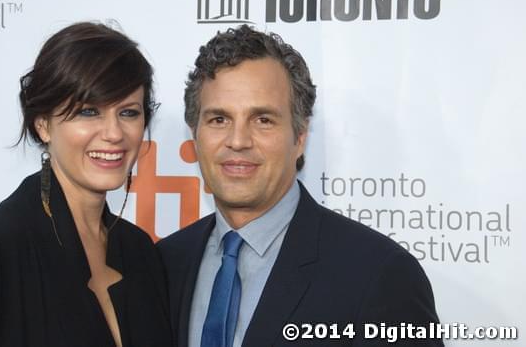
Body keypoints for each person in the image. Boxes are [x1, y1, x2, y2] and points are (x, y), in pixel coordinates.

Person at [157, 25, 443, 347]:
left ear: (300, 137)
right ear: (195, 134)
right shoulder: (164, 264)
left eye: (263, 119)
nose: (237, 141)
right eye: (219, 119)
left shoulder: (380, 275)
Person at [0, 22, 172, 347]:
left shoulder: (140, 252)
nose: (114, 133)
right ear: (43, 126)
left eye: (128, 112)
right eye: (89, 111)